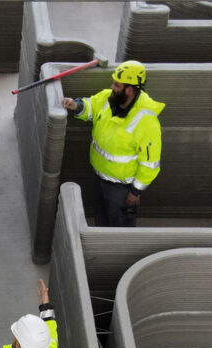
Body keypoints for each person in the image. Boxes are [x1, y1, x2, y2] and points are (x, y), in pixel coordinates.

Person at [61, 60, 164, 227]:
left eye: (117, 85)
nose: (112, 87)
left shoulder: (147, 122)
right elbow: (91, 107)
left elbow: (149, 164)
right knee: (101, 220)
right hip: (101, 178)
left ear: (129, 89)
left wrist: (135, 192)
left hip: (123, 190)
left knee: (121, 227)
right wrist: (76, 105)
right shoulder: (108, 98)